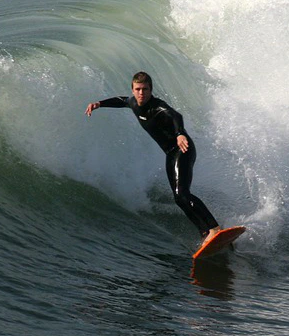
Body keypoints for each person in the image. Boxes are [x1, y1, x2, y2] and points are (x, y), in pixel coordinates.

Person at [84, 71, 221, 243]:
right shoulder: (133, 102)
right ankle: (205, 232)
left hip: (182, 149)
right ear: (133, 90)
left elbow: (175, 116)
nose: (141, 93)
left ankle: (214, 228)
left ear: (151, 90)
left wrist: (179, 133)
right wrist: (99, 104)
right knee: (179, 198)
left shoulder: (158, 107)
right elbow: (121, 100)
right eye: (138, 89)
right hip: (170, 153)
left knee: (183, 194)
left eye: (145, 89)